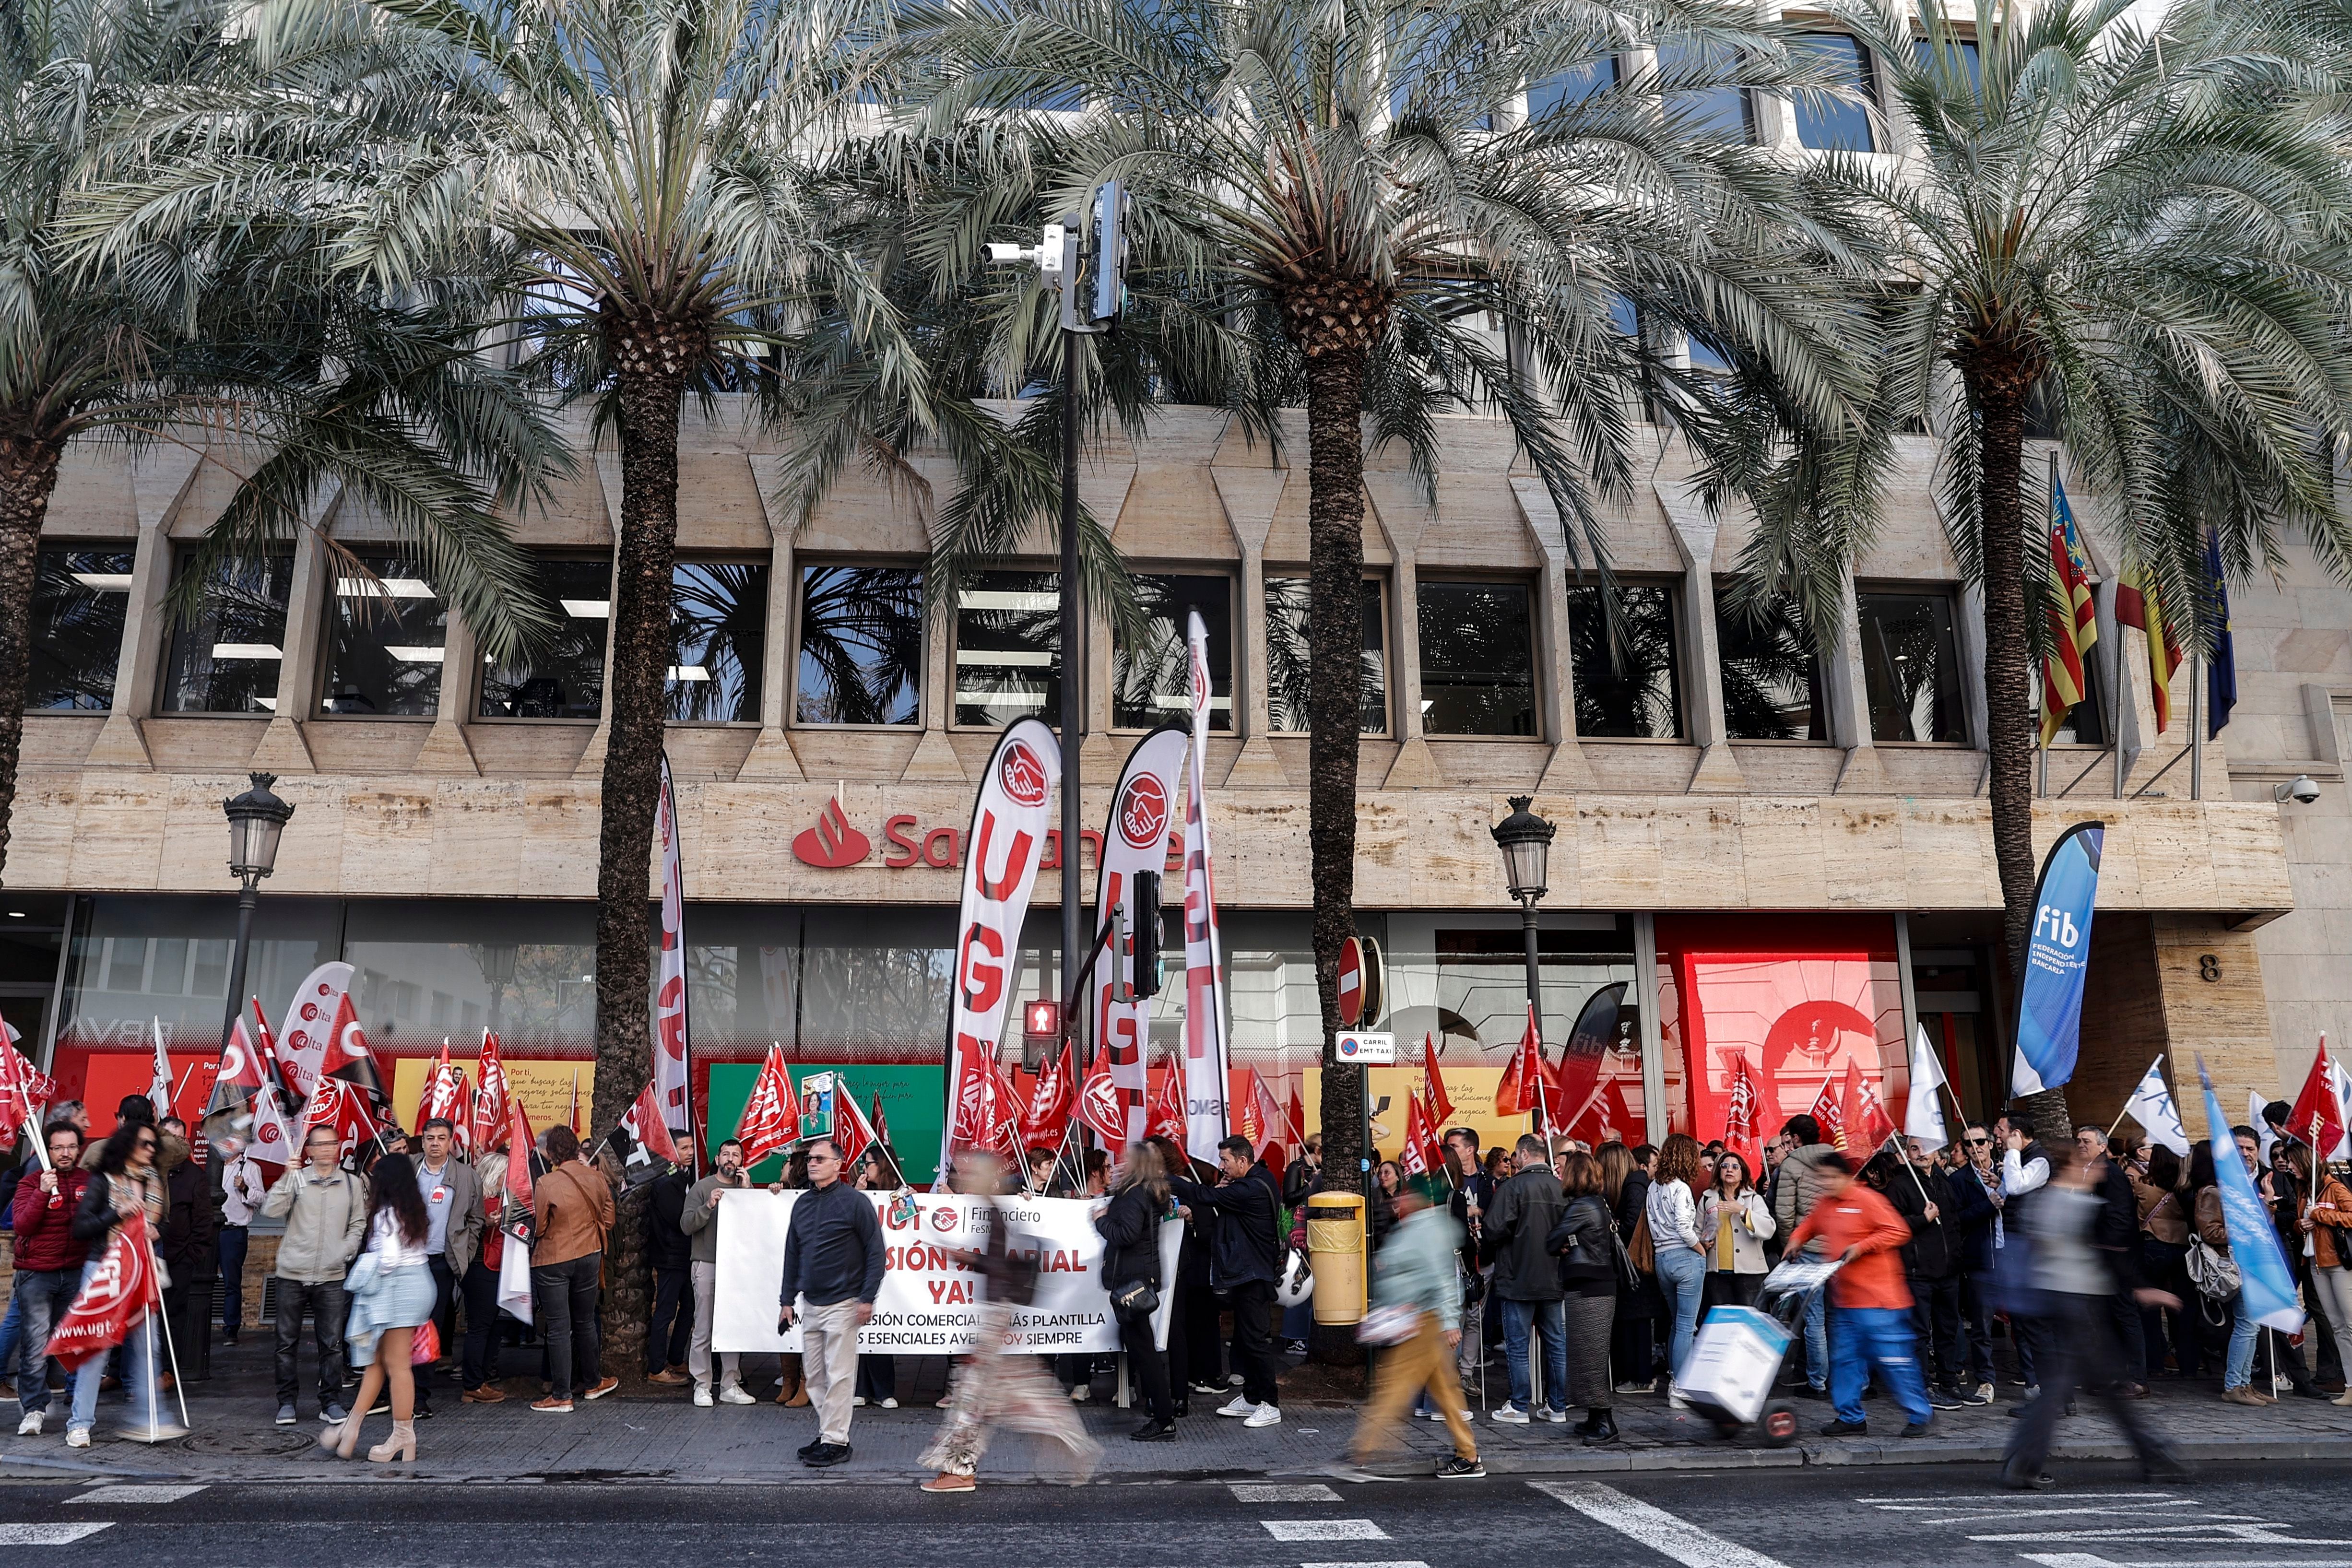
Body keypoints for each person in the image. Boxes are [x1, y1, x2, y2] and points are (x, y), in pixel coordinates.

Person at [1999, 1138, 2187, 1490]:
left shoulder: (2044, 1201)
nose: (2097, 1168)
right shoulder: (2072, 1204)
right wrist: (2140, 1287)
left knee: (2100, 1387)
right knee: (2065, 1387)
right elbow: (2107, 1253)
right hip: (2074, 1302)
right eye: (2087, 1162)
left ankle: (2155, 1457)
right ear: (2072, 1167)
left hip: (2061, 1298)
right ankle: (2024, 1461)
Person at [916, 1151, 1099, 1491]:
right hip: (996, 1312)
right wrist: (968, 1258)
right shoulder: (994, 1208)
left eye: (971, 1174)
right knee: (995, 1393)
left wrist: (967, 1259)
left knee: (974, 1397)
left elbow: (1000, 1266)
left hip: (995, 1314)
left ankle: (961, 1470)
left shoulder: (996, 1210)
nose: (964, 1178)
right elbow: (1000, 1262)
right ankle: (1066, 1439)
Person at [1334, 1174, 1483, 1480]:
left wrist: (1449, 1322)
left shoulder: (1427, 1231)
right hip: (1418, 1319)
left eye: (1404, 1196)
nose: (1397, 1201)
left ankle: (1362, 1450)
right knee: (1445, 1391)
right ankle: (1468, 1455)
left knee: (1394, 1388)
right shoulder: (1423, 1228)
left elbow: (1442, 1279)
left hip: (1420, 1321)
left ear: (1419, 1200)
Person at [1786, 1151, 1931, 1439]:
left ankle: (1920, 1415)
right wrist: (1795, 1240)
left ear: (1844, 1177)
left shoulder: (1868, 1200)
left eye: (1829, 1178)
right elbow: (1810, 1225)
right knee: (1845, 1361)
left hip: (1880, 1302)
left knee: (1894, 1361)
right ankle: (1851, 1417)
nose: (1825, 1183)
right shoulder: (1826, 1204)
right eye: (1821, 1178)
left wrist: (1862, 1247)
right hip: (1847, 1302)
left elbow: (1898, 1231)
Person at [67, 1121, 178, 1445]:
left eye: (153, 1144)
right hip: (105, 1269)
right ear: (127, 1144)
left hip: (141, 1269)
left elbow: (166, 1222)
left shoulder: (156, 1181)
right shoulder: (103, 1181)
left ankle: (148, 1418)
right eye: (144, 1143)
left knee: (148, 1347)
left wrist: (159, 1232)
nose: (151, 1149)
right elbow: (82, 1227)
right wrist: (118, 1213)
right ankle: (79, 1423)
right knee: (97, 1349)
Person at [322, 1149, 437, 1462]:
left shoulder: (386, 1212)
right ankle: (352, 1427)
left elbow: (388, 1260)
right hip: (417, 1282)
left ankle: (403, 1435)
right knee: (378, 1361)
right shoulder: (413, 1209)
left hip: (398, 1286)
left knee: (396, 1365)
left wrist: (362, 1267)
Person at [778, 1137, 884, 1467]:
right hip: (811, 1303)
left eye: (820, 1159)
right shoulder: (802, 1203)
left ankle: (835, 1440)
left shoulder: (855, 1202)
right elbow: (792, 1253)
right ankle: (831, 1432)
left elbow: (876, 1252)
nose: (812, 1163)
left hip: (844, 1302)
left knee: (839, 1375)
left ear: (838, 1164)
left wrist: (867, 1297)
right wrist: (786, 1300)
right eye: (810, 1158)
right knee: (815, 1375)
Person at [1171, 1135, 1284, 1427]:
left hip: (1254, 1274)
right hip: (1247, 1271)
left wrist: (1166, 1179)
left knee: (1257, 1340)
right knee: (1247, 1339)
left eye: (1226, 1161)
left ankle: (1270, 1404)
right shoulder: (1259, 1179)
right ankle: (1251, 1398)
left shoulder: (1248, 1189)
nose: (1221, 1167)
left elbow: (1203, 1196)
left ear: (1243, 1161)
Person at [262, 1124, 366, 1427]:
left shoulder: (352, 1183)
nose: (325, 1149)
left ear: (338, 1148)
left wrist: (345, 1250)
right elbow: (270, 1210)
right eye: (318, 1145)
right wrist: (286, 1176)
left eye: (331, 1144)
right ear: (308, 1151)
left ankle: (331, 1402)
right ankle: (286, 1403)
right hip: (292, 1273)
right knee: (285, 1343)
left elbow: (358, 1224)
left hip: (331, 1276)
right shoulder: (296, 1179)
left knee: (332, 1344)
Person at [531, 1124, 618, 1412]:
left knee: (558, 1326)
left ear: (552, 1153)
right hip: (590, 1255)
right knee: (584, 1321)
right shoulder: (596, 1178)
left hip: (554, 1258)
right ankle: (593, 1383)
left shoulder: (547, 1183)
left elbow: (540, 1226)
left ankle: (561, 1394)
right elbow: (609, 1220)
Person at [1482, 1134, 1569, 1423]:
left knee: (1518, 1346)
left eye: (1515, 1157)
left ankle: (1520, 1406)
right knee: (1556, 1344)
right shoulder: (1561, 1188)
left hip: (1517, 1277)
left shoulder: (1512, 1187)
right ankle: (1557, 1406)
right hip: (1553, 1278)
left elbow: (1493, 1230)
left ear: (1523, 1154)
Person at [1095, 1140, 1176, 1440]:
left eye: (1126, 1159)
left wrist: (1102, 1222)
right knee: (1142, 1346)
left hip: (1131, 1280)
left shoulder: (1134, 1196)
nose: (1120, 1163)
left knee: (1144, 1351)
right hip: (1140, 1278)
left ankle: (1164, 1417)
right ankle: (1161, 1410)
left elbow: (1126, 1234)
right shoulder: (1150, 1193)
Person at [10, 1123, 89, 1436]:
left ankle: (79, 1410)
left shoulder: (89, 1181)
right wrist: (43, 1191)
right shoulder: (31, 1182)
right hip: (37, 1274)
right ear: (47, 1150)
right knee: (35, 1345)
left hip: (76, 1272)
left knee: (78, 1343)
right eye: (58, 1147)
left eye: (71, 1146)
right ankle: (34, 1410)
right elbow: (24, 1225)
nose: (66, 1153)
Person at [406, 1117, 480, 1419]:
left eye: (441, 1138)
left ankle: (420, 1395)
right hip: (406, 1261)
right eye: (429, 1138)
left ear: (451, 1142)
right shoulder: (407, 1170)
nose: (435, 1143)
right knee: (399, 1327)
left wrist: (465, 1250)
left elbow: (476, 1220)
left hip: (440, 1263)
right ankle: (390, 1391)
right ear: (422, 1141)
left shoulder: (466, 1176)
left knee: (429, 1329)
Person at [1546, 1150, 1621, 1444]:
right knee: (1587, 1354)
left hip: (1591, 1288)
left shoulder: (1580, 1207)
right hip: (1594, 1286)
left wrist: (1563, 1244)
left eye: (1565, 1171)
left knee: (1590, 1356)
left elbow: (1552, 1240)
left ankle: (1606, 1423)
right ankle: (1594, 1418)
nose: (1561, 1176)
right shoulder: (1596, 1203)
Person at [1886, 1136, 1965, 1407]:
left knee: (1948, 1330)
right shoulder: (1899, 1185)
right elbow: (1891, 1227)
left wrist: (1956, 1259)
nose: (1921, 1154)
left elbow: (1954, 1223)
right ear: (1906, 1153)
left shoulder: (1943, 1181)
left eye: (1926, 1148)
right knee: (1920, 1333)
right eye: (1914, 1149)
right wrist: (1922, 1219)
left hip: (1948, 1271)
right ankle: (1922, 1387)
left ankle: (1949, 1382)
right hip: (1917, 1273)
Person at [678, 1137, 753, 1406]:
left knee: (732, 1326)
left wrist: (747, 1191)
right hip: (707, 1263)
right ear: (718, 1159)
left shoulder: (746, 1189)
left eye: (736, 1155)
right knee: (704, 1328)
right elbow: (686, 1225)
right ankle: (702, 1385)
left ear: (742, 1161)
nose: (731, 1159)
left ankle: (730, 1384)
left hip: (736, 1268)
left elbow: (756, 1226)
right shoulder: (702, 1187)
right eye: (726, 1154)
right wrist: (708, 1206)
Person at [1771, 1115, 1840, 1398]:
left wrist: (1791, 1245)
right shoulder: (1837, 1159)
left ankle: (1818, 1383)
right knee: (1843, 1318)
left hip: (1809, 1251)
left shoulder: (1791, 1165)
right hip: (1839, 1249)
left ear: (1796, 1138)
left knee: (1815, 1321)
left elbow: (1784, 1214)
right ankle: (1855, 1381)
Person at [154, 1116, 216, 1394]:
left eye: (180, 1139)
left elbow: (204, 1221)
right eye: (169, 1138)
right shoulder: (148, 1169)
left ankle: (168, 1369)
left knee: (173, 1316)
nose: (175, 1145)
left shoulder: (194, 1176)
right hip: (145, 1254)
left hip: (178, 1258)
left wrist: (191, 1255)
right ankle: (123, 1371)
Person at [1646, 1133, 1706, 1407]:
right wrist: (1701, 1248)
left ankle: (1675, 1378)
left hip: (1662, 1258)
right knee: (1686, 1326)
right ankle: (1681, 1388)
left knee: (1676, 1323)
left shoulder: (1653, 1187)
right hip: (1684, 1258)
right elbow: (1684, 1228)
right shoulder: (1681, 1188)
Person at [2001, 1115, 2056, 1398]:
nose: (1999, 1136)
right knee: (2026, 1324)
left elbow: (2017, 1186)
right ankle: (2044, 1391)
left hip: (2032, 1251)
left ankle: (2052, 1395)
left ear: (2017, 1134)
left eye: (2002, 1132)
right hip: (2022, 1248)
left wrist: (2012, 1153)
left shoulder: (2039, 1160)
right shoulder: (2026, 1158)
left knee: (2037, 1327)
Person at [2131, 1144, 2196, 1381]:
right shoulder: (2186, 1187)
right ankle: (2189, 1365)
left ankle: (2155, 1363)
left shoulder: (2142, 1184)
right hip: (2183, 1247)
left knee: (2149, 1309)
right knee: (2184, 1307)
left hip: (2153, 1245)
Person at [1601, 1141, 1657, 1394]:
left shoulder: (1634, 1186)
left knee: (1637, 1321)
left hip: (1634, 1265)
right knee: (1633, 1320)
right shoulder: (1635, 1185)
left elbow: (1632, 1226)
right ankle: (1637, 1376)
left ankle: (1640, 1378)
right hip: (1633, 1266)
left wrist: (1614, 1231)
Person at [460, 1146, 512, 1403]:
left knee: (486, 1326)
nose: (510, 1178)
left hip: (483, 1268)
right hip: (485, 1268)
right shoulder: (489, 1204)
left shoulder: (477, 1202)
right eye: (505, 1173)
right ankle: (473, 1383)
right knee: (482, 1327)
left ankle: (478, 1380)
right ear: (493, 1175)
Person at [2302, 1154, 2352, 1406]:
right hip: (2316, 1263)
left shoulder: (2335, 1188)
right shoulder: (2305, 1190)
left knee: (2350, 1325)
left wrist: (2320, 1216)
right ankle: (2351, 1387)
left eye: (2292, 1161)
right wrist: (2302, 1224)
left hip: (2340, 1263)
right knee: (2338, 1327)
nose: (2289, 1166)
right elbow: (2306, 1223)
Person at [1697, 1150, 1774, 1313]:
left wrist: (1742, 1211)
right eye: (1724, 1166)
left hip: (1749, 1272)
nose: (1729, 1170)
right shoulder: (1707, 1198)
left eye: (1735, 1166)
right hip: (1717, 1272)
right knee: (1723, 1322)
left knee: (1751, 1322)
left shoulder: (1753, 1199)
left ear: (1742, 1173)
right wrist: (1702, 1241)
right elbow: (1697, 1230)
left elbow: (1768, 1229)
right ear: (1719, 1171)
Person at [214, 1133, 267, 1348]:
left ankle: (231, 1329)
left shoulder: (250, 1168)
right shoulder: (214, 1168)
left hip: (233, 1232)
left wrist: (245, 1188)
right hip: (211, 1230)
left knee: (231, 1282)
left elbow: (262, 1198)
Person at [645, 1154, 694, 1385]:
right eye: (684, 1148)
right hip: (669, 1257)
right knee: (665, 1311)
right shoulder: (666, 1184)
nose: (690, 1152)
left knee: (690, 1307)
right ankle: (656, 1367)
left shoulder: (683, 1179)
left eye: (692, 1147)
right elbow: (679, 1220)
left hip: (683, 1256)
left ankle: (675, 1358)